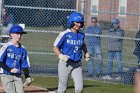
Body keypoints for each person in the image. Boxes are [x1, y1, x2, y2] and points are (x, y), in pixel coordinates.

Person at [53, 12, 90, 93]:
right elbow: (55, 47)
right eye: (77, 22)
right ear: (71, 22)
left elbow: (83, 44)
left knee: (79, 89)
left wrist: (86, 53)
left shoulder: (81, 35)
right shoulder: (65, 34)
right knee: (62, 88)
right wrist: (61, 56)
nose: (79, 24)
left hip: (77, 64)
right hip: (65, 63)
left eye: (80, 23)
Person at [0, 25, 32, 93]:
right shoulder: (6, 47)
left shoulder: (23, 49)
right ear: (11, 34)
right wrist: (10, 69)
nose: (19, 36)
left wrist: (27, 76)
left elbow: (24, 64)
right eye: (17, 33)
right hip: (6, 75)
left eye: (21, 34)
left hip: (17, 75)